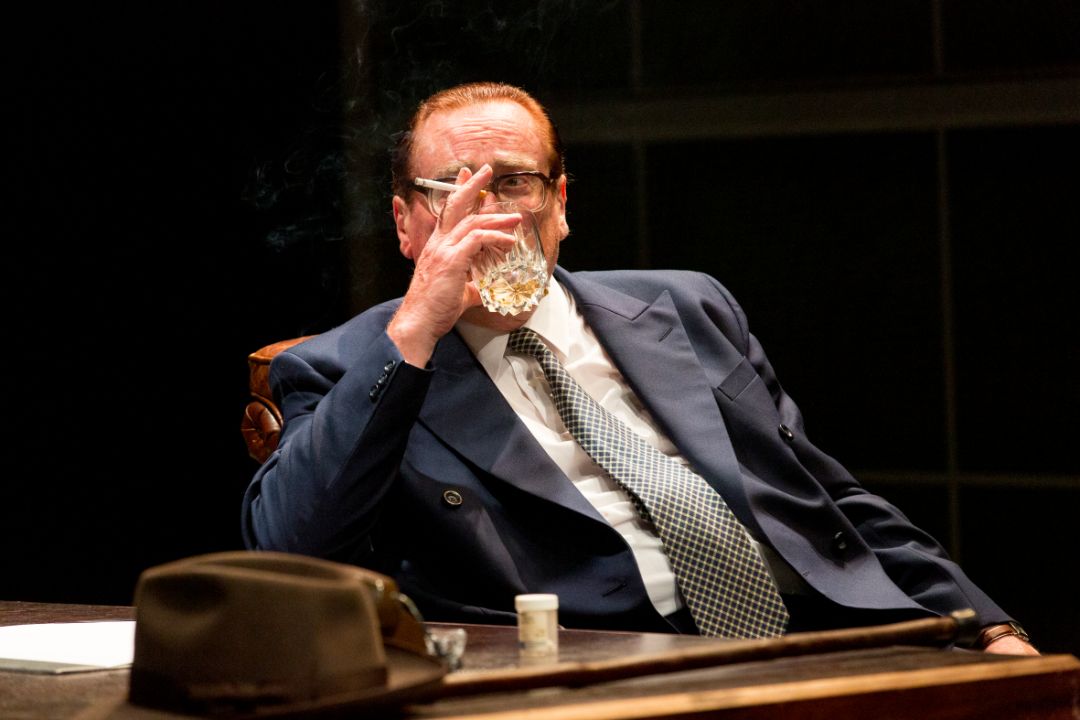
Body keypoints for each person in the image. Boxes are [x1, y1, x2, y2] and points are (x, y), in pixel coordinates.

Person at [242, 81, 1036, 655]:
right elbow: (292, 552)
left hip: (827, 631)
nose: (488, 214)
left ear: (560, 204)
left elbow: (822, 494)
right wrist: (417, 326)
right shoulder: (341, 367)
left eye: (513, 182)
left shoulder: (687, 304)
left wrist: (988, 625)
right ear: (406, 223)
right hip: (603, 666)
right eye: (452, 188)